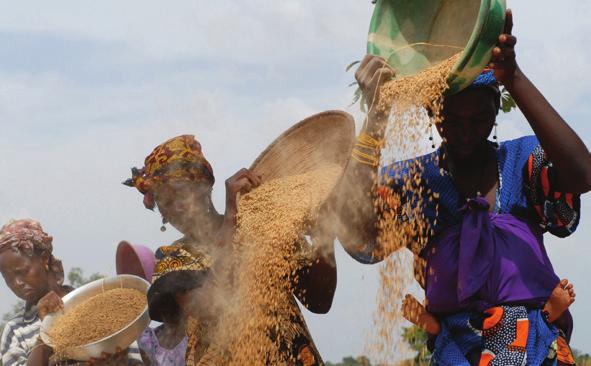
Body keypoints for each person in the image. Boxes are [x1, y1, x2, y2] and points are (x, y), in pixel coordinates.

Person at [335, 9, 591, 366]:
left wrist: (513, 77)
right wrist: (377, 116)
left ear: (497, 109)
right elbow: (356, 236)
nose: (467, 133)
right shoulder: (417, 183)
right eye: (451, 121)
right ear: (432, 114)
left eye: (479, 119)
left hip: (536, 353)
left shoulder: (521, 162)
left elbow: (582, 174)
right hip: (456, 354)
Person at [124, 134, 337, 365]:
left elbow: (319, 301)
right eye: (163, 201)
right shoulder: (173, 259)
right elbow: (211, 305)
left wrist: (324, 235)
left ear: (204, 186)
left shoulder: (264, 227)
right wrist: (231, 217)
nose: (175, 208)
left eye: (181, 193)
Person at [0, 219, 144, 366]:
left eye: (22, 271)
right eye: (7, 278)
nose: (16, 283)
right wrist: (45, 334)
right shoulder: (15, 331)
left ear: (44, 259)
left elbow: (134, 359)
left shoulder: (100, 306)